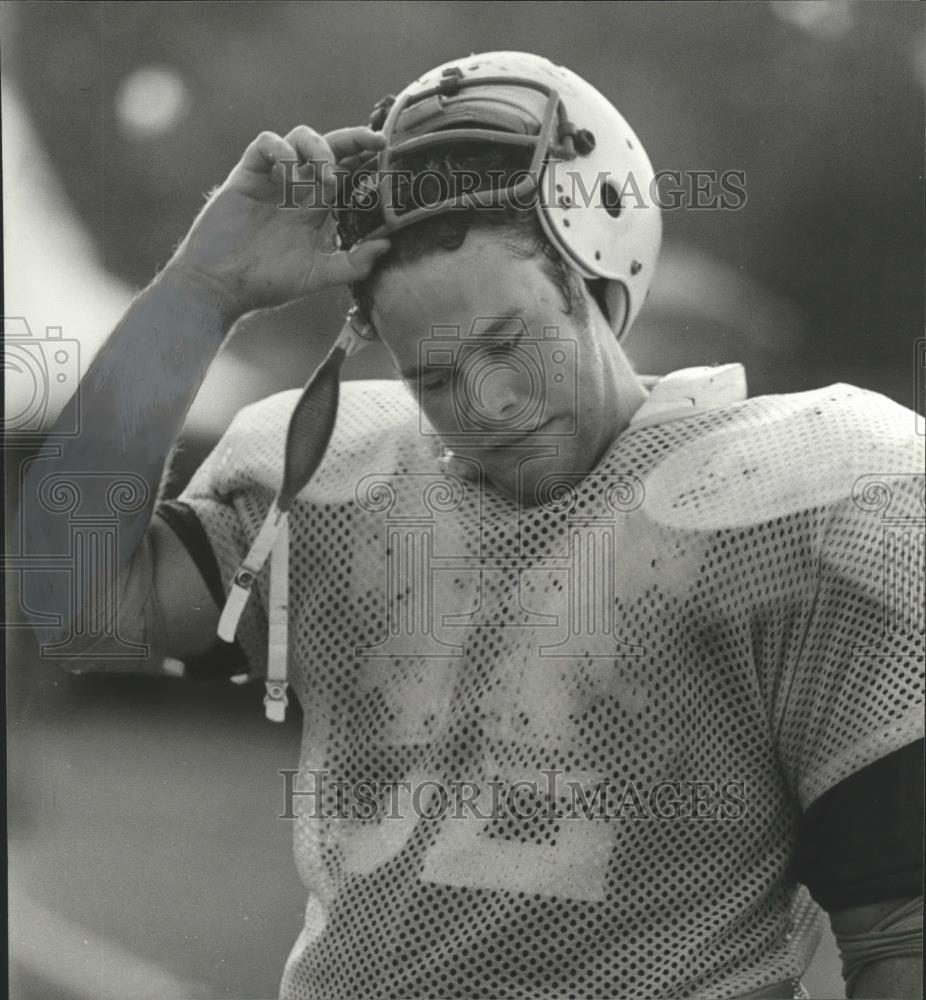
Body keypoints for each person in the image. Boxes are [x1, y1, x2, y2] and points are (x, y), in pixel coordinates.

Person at [21, 51, 923, 1000]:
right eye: (435, 377)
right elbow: (68, 597)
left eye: (507, 341)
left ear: (598, 280)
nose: (487, 403)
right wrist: (200, 292)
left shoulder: (800, 498)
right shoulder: (342, 482)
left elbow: (901, 932)